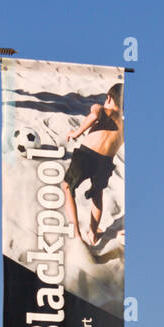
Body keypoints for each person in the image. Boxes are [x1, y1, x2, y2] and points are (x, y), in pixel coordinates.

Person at [61, 82, 124, 248]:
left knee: (67, 186)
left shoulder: (108, 110)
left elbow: (96, 114)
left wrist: (77, 132)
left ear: (109, 98)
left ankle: (77, 234)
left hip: (87, 155)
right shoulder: (124, 126)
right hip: (105, 164)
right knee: (97, 197)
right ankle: (93, 233)